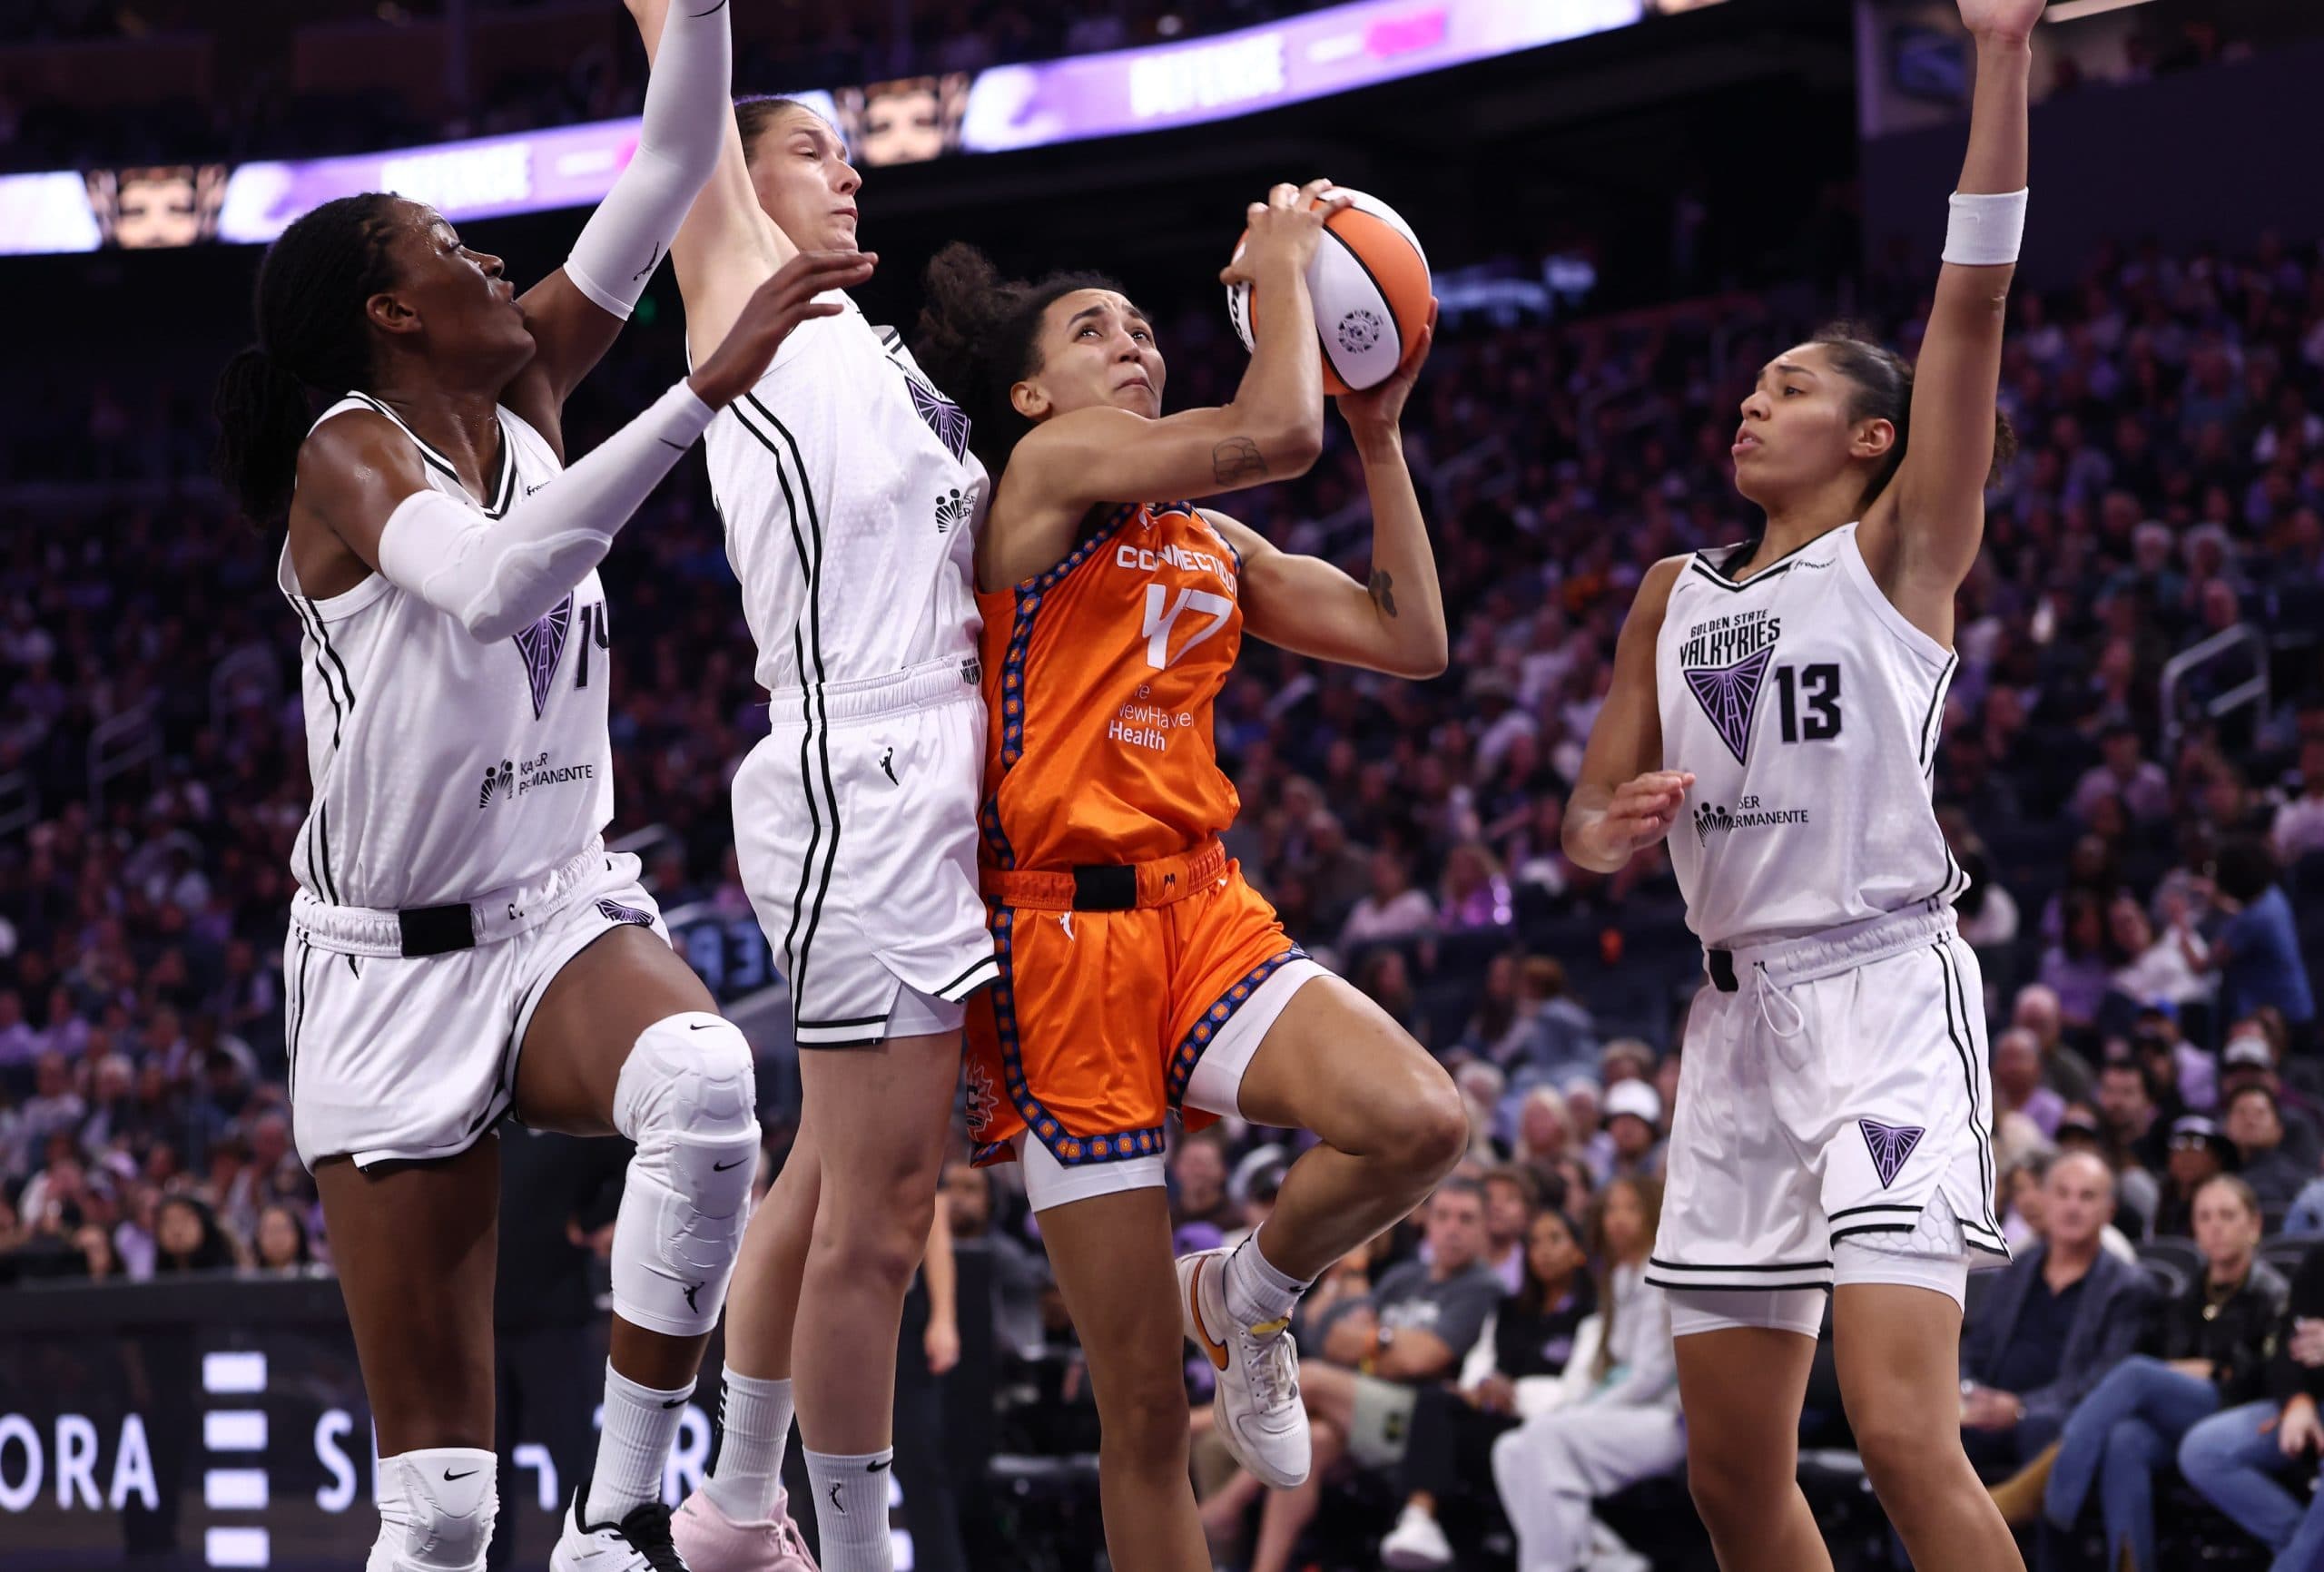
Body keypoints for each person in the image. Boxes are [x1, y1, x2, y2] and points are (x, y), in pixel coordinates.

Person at [206, 5, 842, 1565]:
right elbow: (490, 585)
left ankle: (620, 1519)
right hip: (385, 969)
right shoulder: (343, 454)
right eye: (454, 252)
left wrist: (688, 14)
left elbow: (678, 151)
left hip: (556, 908)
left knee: (702, 1085)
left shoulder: (530, 382)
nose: (496, 267)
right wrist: (701, 392)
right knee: (435, 1514)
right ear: (391, 314)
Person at [910, 183, 1468, 1572]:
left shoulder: (1203, 536)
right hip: (1063, 952)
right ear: (1033, 396)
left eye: (1146, 330)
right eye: (1096, 334)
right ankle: (1204, 1329)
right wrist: (1287, 268)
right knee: (1144, 1411)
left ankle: (1249, 1288)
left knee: (1420, 1122)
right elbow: (1274, 432)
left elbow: (1410, 639)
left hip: (1202, 907)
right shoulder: (1040, 485)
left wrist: (1381, 439)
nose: (1137, 347)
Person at [1556, 4, 2041, 1567]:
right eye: (1752, 386)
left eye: (1790, 387)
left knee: (1902, 1431)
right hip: (1732, 1024)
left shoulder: (1901, 557)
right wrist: (1602, 829)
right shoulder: (1668, 591)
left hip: (1882, 995)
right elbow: (1582, 815)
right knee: (1726, 1478)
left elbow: (1972, 303)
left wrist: (2004, 54)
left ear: (1873, 435)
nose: (1752, 401)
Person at [625, 8, 1004, 1568]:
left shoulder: (886, 356)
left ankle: (734, 1500)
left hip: (936, 760)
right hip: (857, 757)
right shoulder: (740, 290)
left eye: (852, 152)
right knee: (883, 1200)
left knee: (841, 1171)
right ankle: (832, 1542)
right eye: (806, 148)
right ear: (739, 182)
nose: (845, 172)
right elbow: (679, 76)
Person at [1200, 1180, 1504, 1572]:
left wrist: (1371, 1343)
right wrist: (1385, 1345)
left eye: (1466, 1219)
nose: (1453, 1228)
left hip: (1424, 1424)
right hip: (1361, 1405)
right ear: (1427, 1221)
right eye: (1443, 1216)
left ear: (1484, 1228)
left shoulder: (1480, 1287)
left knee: (1307, 1377)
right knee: (1313, 1442)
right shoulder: (1404, 1278)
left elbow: (1422, 1361)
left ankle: (1205, 1453)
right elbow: (1325, 1333)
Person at [2038, 1174, 2285, 1570]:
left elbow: (2265, 1374)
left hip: (2239, 1413)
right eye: (2204, 1217)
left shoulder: (2271, 1294)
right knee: (2125, 1438)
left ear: (2253, 1225)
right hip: (2183, 1415)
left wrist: (2214, 1370)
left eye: (2227, 1215)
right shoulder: (2187, 1294)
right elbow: (2164, 1360)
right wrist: (2186, 1372)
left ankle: (2051, 1488)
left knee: (2135, 1374)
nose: (2215, 1226)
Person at [1378, 1206, 1596, 1569]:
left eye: (1554, 1239)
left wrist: (1515, 1394)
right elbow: (1479, 1365)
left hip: (1540, 1428)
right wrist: (1482, 1385)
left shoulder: (1591, 1313)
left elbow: (1577, 1389)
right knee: (1434, 1400)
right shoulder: (1509, 1308)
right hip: (1490, 1419)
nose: (1542, 1250)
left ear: (1578, 1251)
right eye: (1534, 1242)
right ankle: (1418, 1520)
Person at [1488, 1177, 1680, 1572]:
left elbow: (1653, 1375)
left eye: (1631, 1208)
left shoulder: (1662, 1273)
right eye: (1610, 1209)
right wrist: (1584, 1406)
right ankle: (1601, 1551)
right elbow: (1610, 1370)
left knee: (1546, 1436)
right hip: (1620, 1406)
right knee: (1509, 1451)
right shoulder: (1618, 1277)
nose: (1618, 1220)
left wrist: (1586, 1411)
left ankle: (1551, 1565)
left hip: (1665, 1418)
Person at [1964, 1154, 2155, 1513]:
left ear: (2109, 1210)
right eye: (2063, 1194)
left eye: (2087, 1197)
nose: (2072, 1207)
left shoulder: (2128, 1287)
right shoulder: (2015, 1271)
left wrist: (2021, 1409)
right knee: (1928, 1436)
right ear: (2046, 1201)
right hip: (1990, 1409)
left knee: (2044, 1429)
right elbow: (1976, 1347)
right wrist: (1969, 1394)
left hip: (2055, 1417)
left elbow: (2100, 1379)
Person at [2178, 1236, 2324, 1571]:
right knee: (2205, 1448)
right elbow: (2286, 1345)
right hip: (2312, 1402)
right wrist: (2297, 1401)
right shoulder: (2319, 1259)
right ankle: (2300, 1544)